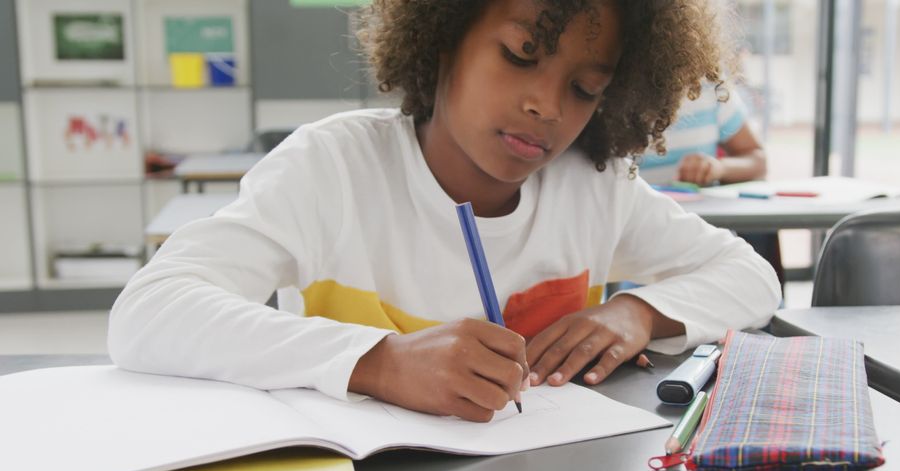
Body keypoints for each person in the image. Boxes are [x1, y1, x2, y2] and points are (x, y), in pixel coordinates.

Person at [108, 0, 781, 423]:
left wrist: (635, 312)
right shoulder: (334, 169)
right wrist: (380, 362)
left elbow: (751, 276)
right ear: (443, 37)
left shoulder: (593, 188)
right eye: (521, 55)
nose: (547, 105)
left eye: (583, 88)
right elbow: (151, 311)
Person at [638, 87, 785, 284]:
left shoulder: (711, 85)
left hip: (699, 237)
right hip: (642, 238)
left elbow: (757, 161)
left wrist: (718, 168)